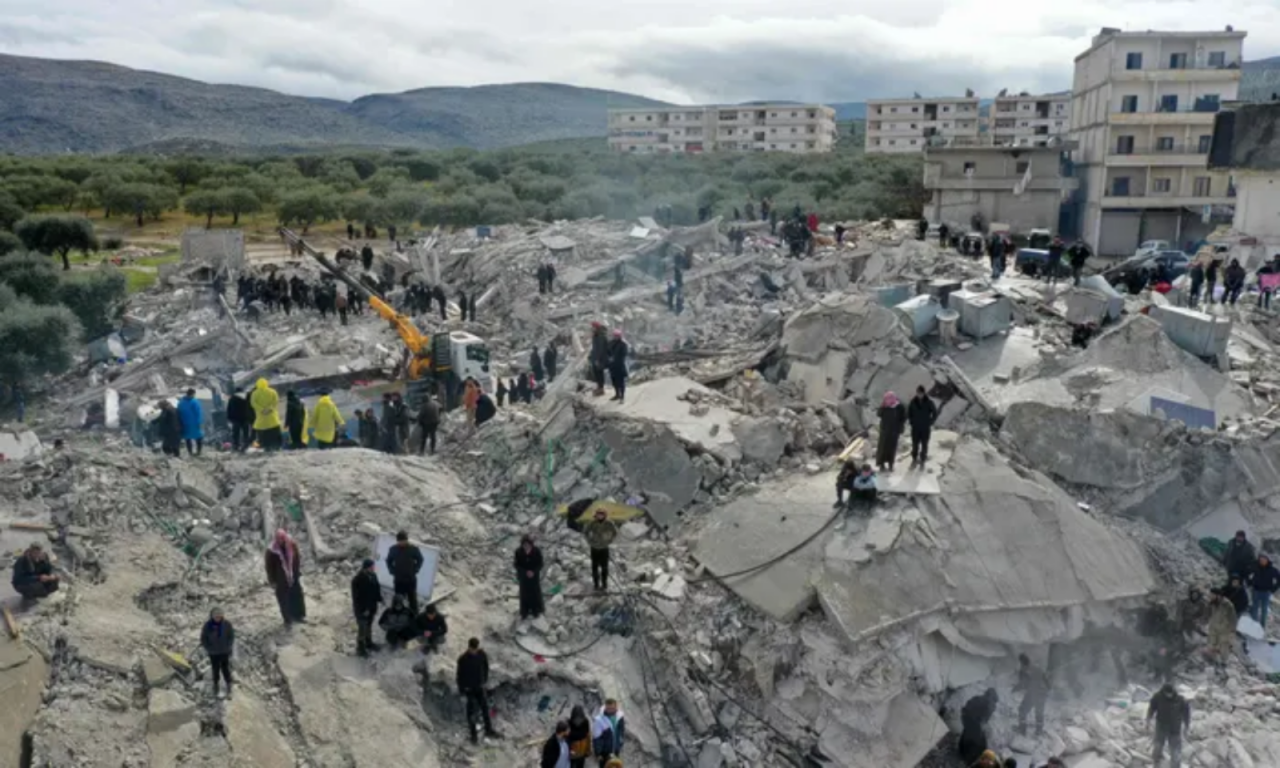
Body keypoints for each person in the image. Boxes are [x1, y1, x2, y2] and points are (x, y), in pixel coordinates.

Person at [457, 638, 499, 743]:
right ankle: (473, 735)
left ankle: (489, 730)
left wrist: (484, 680)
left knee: (485, 709)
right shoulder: (463, 659)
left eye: (476, 649)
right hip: (469, 689)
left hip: (479, 687)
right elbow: (459, 676)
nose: (474, 651)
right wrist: (462, 690)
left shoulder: (481, 654)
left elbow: (486, 667)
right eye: (473, 649)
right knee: (471, 712)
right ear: (469, 647)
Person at [265, 528, 306, 627]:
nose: (281, 541)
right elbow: (269, 567)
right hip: (280, 579)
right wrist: (272, 580)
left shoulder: (292, 544)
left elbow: (297, 558)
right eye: (279, 539)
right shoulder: (271, 551)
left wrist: (297, 571)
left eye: (282, 539)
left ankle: (299, 616)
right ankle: (288, 620)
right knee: (283, 599)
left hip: (293, 575)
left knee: (296, 595)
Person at [1147, 682, 1190, 767]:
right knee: (1158, 747)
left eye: (1171, 693)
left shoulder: (1180, 699)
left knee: (1175, 751)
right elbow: (1151, 708)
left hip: (1175, 728)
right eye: (1167, 693)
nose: (1169, 695)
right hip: (1161, 727)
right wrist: (1148, 720)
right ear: (1164, 692)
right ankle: (1156, 764)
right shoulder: (1157, 697)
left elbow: (1186, 713)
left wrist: (1186, 726)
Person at [200, 607, 235, 699]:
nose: (218, 616)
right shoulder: (207, 626)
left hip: (224, 652)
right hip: (213, 653)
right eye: (216, 615)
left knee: (225, 669)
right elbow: (203, 639)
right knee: (215, 670)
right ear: (212, 615)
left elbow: (231, 636)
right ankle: (215, 686)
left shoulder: (227, 624)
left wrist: (228, 646)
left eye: (219, 614)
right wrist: (209, 648)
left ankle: (229, 686)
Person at [387, 530, 424, 614]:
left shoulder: (413, 549)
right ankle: (397, 618)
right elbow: (388, 561)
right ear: (397, 541)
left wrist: (416, 569)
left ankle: (414, 618)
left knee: (413, 601)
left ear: (407, 540)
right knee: (398, 600)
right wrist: (392, 571)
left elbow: (420, 559)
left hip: (410, 579)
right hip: (399, 580)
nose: (402, 543)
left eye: (403, 541)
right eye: (400, 541)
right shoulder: (393, 549)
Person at [351, 558, 382, 657]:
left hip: (372, 607)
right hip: (362, 610)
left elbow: (376, 589)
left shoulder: (373, 575)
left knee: (369, 626)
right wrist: (364, 610)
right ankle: (360, 648)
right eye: (372, 566)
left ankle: (369, 643)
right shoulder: (357, 580)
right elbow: (357, 598)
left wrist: (379, 599)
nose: (373, 568)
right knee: (362, 628)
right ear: (366, 567)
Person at [958, 688, 998, 765]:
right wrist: (981, 725)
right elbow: (984, 719)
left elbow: (966, 707)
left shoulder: (978, 698)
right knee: (975, 740)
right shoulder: (989, 704)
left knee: (967, 733)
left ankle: (961, 752)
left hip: (966, 717)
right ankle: (968, 759)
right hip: (973, 720)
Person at [584, 507, 619, 592]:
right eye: (599, 514)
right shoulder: (592, 523)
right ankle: (596, 584)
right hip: (594, 548)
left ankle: (604, 584)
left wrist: (609, 540)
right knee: (594, 568)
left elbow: (615, 532)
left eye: (602, 514)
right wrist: (590, 541)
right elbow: (585, 532)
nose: (600, 516)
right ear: (596, 515)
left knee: (604, 568)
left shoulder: (608, 523)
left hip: (604, 548)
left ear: (604, 515)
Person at [1015, 654, 1049, 736]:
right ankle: (1039, 731)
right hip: (1042, 694)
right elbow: (1047, 682)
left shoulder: (1023, 671)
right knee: (1039, 713)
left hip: (1032, 694)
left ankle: (1022, 729)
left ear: (1022, 662)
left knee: (1022, 710)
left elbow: (1023, 684)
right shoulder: (1038, 668)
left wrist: (1015, 688)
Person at [906, 385, 937, 470]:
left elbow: (935, 413)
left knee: (924, 444)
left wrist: (930, 422)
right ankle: (914, 459)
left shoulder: (929, 402)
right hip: (915, 428)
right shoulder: (913, 402)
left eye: (921, 393)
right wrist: (911, 422)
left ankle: (922, 460)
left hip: (925, 428)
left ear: (924, 393)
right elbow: (909, 413)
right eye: (918, 393)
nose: (919, 395)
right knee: (915, 444)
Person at [875, 391, 906, 472]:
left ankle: (891, 465)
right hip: (884, 431)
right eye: (886, 399)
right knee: (882, 448)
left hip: (894, 431)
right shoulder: (884, 406)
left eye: (889, 398)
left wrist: (901, 429)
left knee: (892, 448)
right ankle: (881, 465)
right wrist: (882, 406)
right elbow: (879, 414)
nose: (887, 400)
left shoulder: (899, 407)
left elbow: (903, 418)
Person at [515, 535, 545, 619]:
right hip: (523, 577)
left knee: (535, 593)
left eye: (528, 545)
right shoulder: (518, 552)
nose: (526, 547)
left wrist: (534, 572)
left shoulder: (536, 551)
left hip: (534, 577)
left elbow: (540, 563)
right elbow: (517, 565)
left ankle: (536, 610)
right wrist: (525, 572)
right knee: (524, 594)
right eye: (524, 545)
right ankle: (524, 611)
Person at [250, 378, 283, 451]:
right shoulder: (272, 391)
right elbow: (276, 401)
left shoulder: (254, 393)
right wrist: (269, 408)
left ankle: (265, 447)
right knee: (275, 434)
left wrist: (262, 409)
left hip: (261, 420)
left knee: (263, 435)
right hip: (272, 419)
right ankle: (277, 447)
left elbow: (253, 403)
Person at [592, 699, 626, 767]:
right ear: (605, 707)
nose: (610, 710)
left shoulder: (619, 717)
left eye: (612, 708)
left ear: (616, 707)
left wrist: (620, 742)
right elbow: (596, 737)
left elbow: (621, 732)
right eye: (608, 708)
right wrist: (598, 753)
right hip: (604, 752)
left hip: (615, 749)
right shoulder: (599, 720)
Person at [1250, 554, 1280, 628]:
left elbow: (1279, 580)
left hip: (1266, 592)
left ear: (1267, 560)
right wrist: (1250, 582)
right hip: (1256, 591)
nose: (1262, 561)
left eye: (1264, 559)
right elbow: (1247, 573)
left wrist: (1273, 589)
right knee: (1254, 609)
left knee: (1264, 610)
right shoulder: (1255, 567)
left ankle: (1262, 627)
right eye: (1261, 559)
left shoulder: (1272, 570)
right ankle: (1253, 626)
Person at [177, 389, 204, 456]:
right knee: (199, 437)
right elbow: (198, 413)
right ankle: (199, 452)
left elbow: (179, 412)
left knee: (187, 439)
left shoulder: (181, 402)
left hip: (185, 423)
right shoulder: (194, 402)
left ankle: (190, 453)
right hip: (194, 423)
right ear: (192, 394)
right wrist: (199, 422)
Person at [226, 386, 252, 452]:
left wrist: (229, 418)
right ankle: (246, 445)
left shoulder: (232, 398)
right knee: (246, 433)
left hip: (235, 419)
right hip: (245, 418)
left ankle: (236, 446)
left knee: (236, 433)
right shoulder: (247, 397)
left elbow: (229, 409)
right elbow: (250, 407)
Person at [607, 329, 629, 403]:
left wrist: (616, 358)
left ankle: (622, 397)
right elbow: (608, 352)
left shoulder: (623, 344)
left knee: (621, 382)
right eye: (615, 336)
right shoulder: (611, 343)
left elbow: (624, 354)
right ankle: (617, 394)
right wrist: (609, 358)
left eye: (617, 336)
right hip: (612, 366)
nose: (616, 337)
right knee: (614, 381)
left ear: (620, 336)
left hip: (620, 366)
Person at [589, 322, 609, 396]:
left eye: (593, 327)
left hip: (600, 359)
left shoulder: (601, 336)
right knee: (597, 373)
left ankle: (601, 389)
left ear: (596, 328)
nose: (592, 329)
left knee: (599, 373)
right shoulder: (596, 335)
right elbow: (595, 348)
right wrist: (591, 356)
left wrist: (597, 359)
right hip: (596, 358)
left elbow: (600, 349)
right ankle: (599, 387)